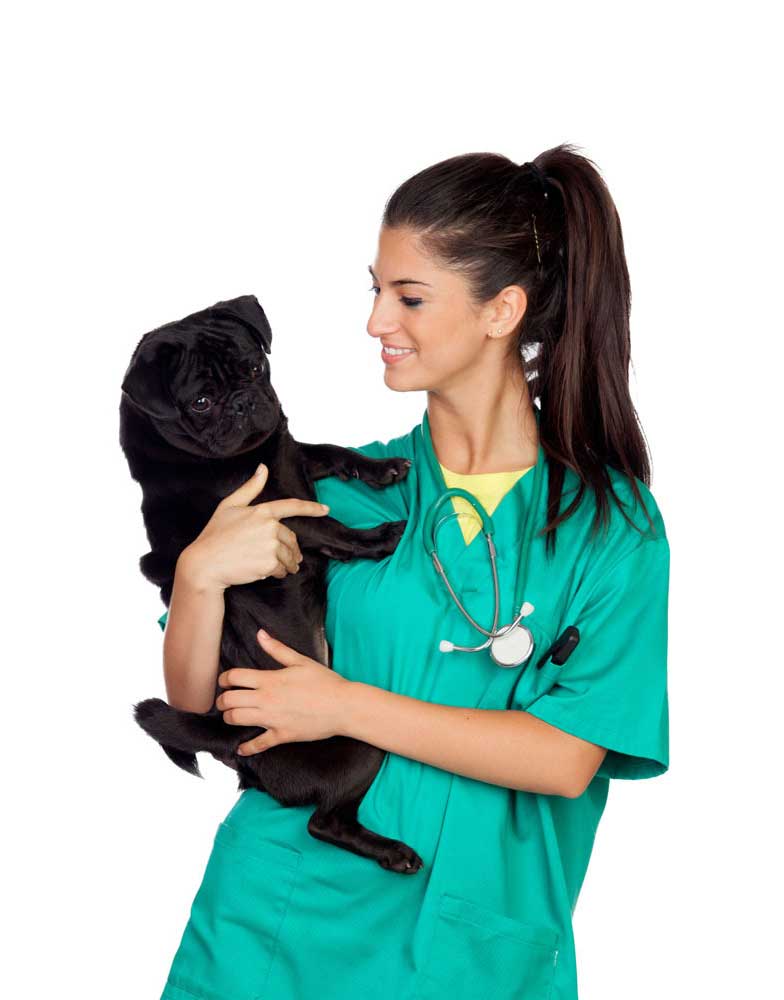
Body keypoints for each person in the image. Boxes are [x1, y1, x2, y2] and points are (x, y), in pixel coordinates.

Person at [155, 143, 670, 1000]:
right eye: (375, 290)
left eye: (409, 296)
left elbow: (566, 758)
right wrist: (197, 577)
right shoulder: (331, 497)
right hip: (270, 930)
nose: (376, 322)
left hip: (469, 949)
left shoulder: (607, 528)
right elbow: (197, 702)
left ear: (502, 310)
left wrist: (343, 705)